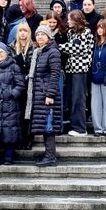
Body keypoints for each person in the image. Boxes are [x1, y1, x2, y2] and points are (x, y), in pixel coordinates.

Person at [0, 42, 26, 165]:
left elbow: (20, 85)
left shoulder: (14, 67)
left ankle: (8, 158)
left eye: (0, 52)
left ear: (6, 54)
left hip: (10, 106)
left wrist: (11, 94)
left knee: (10, 133)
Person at [28, 25, 63, 167]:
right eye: (38, 35)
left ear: (49, 37)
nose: (40, 37)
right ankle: (48, 154)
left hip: (47, 95)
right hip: (40, 95)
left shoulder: (53, 52)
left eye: (43, 34)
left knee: (49, 126)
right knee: (45, 125)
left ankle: (50, 156)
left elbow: (55, 75)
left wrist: (50, 94)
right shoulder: (40, 52)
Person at [59, 10, 93, 137]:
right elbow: (72, 47)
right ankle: (74, 124)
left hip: (81, 70)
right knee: (72, 98)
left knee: (79, 98)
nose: (67, 21)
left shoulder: (86, 32)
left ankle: (80, 128)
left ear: (76, 19)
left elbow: (79, 48)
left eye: (70, 19)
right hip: (70, 69)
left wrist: (59, 46)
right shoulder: (70, 32)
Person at [11, 21, 35, 150]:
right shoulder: (12, 47)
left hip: (31, 85)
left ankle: (28, 138)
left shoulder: (34, 47)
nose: (22, 33)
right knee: (18, 113)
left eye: (25, 31)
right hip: (17, 85)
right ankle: (19, 139)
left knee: (28, 113)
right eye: (20, 31)